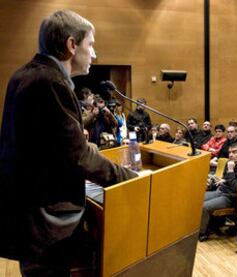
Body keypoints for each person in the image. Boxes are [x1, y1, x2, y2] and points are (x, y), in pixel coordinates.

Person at [0, 10, 137, 276]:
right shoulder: (49, 82)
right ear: (72, 45)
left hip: (28, 216)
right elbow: (79, 157)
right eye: (91, 44)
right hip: (45, 222)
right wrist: (131, 179)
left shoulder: (24, 75)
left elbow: (51, 149)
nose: (94, 54)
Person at [199, 143, 237, 241]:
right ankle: (199, 226)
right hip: (222, 191)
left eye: (234, 152)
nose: (231, 155)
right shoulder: (230, 162)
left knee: (204, 206)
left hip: (231, 198)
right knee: (197, 198)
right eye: (230, 152)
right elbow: (227, 178)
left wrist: (231, 171)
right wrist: (224, 180)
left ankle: (202, 233)